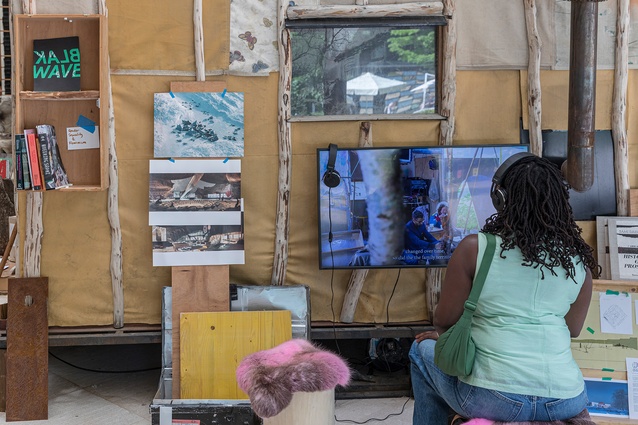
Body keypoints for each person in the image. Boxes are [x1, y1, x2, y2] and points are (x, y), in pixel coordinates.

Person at [409, 154, 599, 424]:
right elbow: (573, 329)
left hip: (493, 396)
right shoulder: (578, 262)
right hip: (565, 399)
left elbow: (444, 321)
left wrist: (444, 336)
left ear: (499, 198)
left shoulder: (475, 248)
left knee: (419, 351)